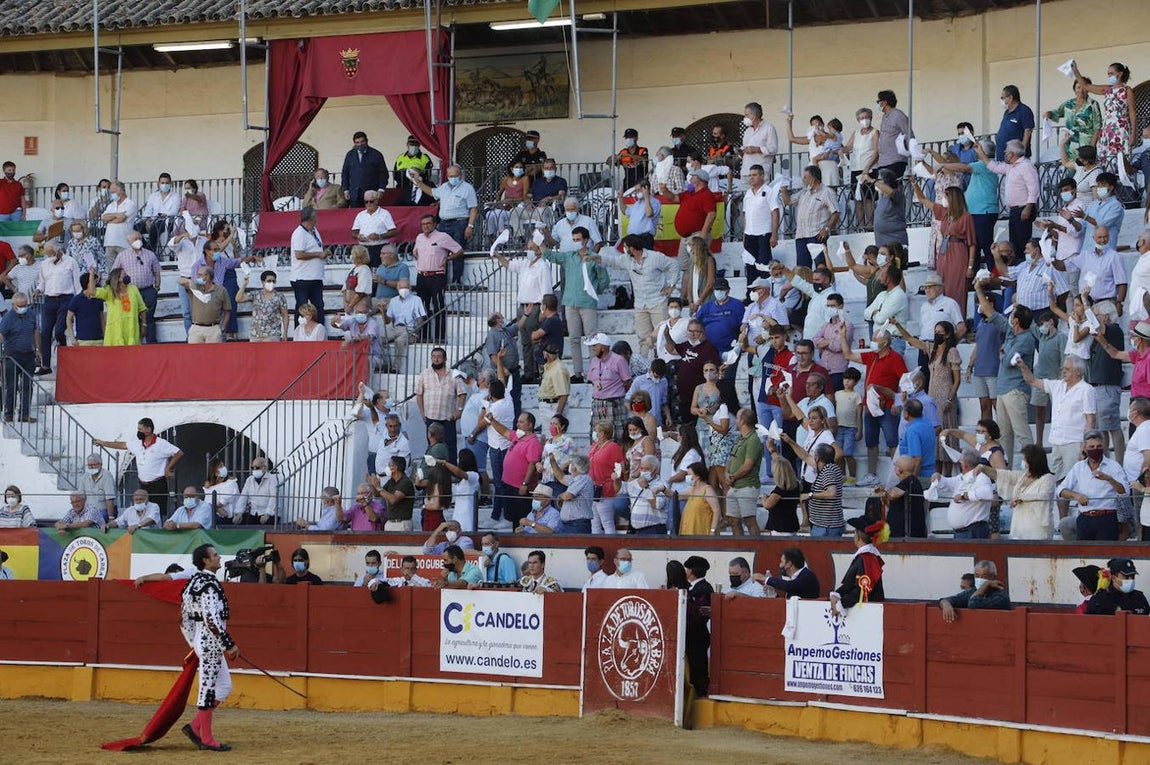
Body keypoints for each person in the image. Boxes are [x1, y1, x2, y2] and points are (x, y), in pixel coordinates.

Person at [179, 544, 239, 752]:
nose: (219, 557)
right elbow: (211, 619)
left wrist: (194, 642)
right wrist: (228, 644)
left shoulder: (193, 582)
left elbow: (183, 618)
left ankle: (196, 727)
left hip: (203, 640)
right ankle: (207, 739)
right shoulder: (209, 585)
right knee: (208, 689)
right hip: (211, 643)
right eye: (215, 555)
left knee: (224, 687)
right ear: (205, 561)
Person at [974, 279, 1036, 466]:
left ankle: (1033, 469)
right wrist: (978, 288)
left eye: (1012, 315)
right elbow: (990, 312)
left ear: (1016, 320)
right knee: (1004, 435)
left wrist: (1002, 354)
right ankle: (1003, 471)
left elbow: (1008, 361)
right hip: (1003, 390)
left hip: (1016, 390)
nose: (1009, 317)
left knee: (1022, 432)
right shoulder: (1011, 332)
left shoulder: (1026, 338)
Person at [840, 327, 907, 487]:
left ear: (885, 343)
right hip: (870, 406)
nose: (873, 342)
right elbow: (848, 355)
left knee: (892, 441)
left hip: (887, 406)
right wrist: (842, 335)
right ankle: (871, 474)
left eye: (876, 340)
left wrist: (898, 403)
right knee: (871, 442)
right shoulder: (872, 356)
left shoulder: (895, 358)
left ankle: (896, 475)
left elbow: (905, 381)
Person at [542, 229, 607, 382]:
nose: (575, 242)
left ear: (586, 240)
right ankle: (578, 373)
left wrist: (594, 291)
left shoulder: (594, 257)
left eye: (578, 239)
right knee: (574, 338)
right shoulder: (569, 256)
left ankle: (593, 373)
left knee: (591, 338)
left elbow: (604, 280)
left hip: (587, 302)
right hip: (570, 302)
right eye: (574, 239)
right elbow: (551, 255)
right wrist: (540, 242)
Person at [94, 417, 182, 514]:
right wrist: (103, 443)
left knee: (157, 512)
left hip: (158, 484)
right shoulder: (137, 444)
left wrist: (168, 469)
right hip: (142, 484)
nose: (138, 432)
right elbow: (123, 445)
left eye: (140, 429)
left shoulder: (161, 443)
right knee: (142, 510)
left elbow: (179, 453)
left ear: (148, 429)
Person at [1057, 431, 1128, 541]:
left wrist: (1109, 479)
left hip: (1107, 518)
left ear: (1103, 447)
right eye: (1092, 447)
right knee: (1083, 551)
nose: (1095, 449)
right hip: (1085, 518)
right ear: (1085, 449)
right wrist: (1076, 496)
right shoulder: (1078, 467)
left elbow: (1125, 492)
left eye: (1098, 446)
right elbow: (1060, 490)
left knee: (1106, 551)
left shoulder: (1114, 466)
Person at [413, 165, 478, 285]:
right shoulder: (443, 187)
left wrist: (470, 226)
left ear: (460, 175)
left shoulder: (467, 188)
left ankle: (456, 280)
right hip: (443, 223)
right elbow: (431, 192)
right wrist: (418, 182)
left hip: (460, 223)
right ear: (447, 176)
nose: (453, 178)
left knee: (457, 251)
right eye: (450, 176)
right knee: (440, 251)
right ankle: (442, 279)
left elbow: (473, 208)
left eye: (455, 175)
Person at [976, 444, 1056, 540]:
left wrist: (1020, 497)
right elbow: (1004, 476)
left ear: (1033, 461)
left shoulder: (1048, 478)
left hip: (1038, 531)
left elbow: (1044, 495)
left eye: (1025, 459)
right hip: (1019, 529)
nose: (1023, 462)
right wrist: (983, 468)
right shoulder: (1023, 476)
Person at [1072, 62, 1136, 165]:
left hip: (1121, 128)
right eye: (1108, 74)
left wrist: (1133, 133)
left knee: (1121, 159)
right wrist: (1076, 71)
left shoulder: (1127, 90)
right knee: (1106, 158)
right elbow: (1086, 86)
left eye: (1111, 73)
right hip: (1107, 129)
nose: (1109, 76)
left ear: (1120, 74)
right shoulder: (1107, 89)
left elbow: (1132, 112)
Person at [829, 509, 888, 614]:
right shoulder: (867, 557)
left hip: (868, 611)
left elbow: (861, 589)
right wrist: (837, 594)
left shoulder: (867, 558)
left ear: (858, 536)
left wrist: (841, 603)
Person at [780, 165, 839, 269]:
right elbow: (788, 201)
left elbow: (835, 212)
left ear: (814, 178)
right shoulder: (804, 192)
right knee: (802, 269)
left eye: (806, 177)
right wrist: (783, 188)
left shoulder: (827, 192)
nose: (803, 179)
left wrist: (827, 228)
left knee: (821, 266)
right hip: (801, 235)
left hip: (816, 235)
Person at [931, 451, 996, 539]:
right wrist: (939, 478)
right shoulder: (962, 477)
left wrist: (964, 496)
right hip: (962, 532)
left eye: (961, 462)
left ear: (964, 465)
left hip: (973, 531)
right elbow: (948, 482)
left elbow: (987, 494)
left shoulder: (981, 477)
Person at [0, 292, 39, 422]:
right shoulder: (8, 318)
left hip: (28, 355)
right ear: (13, 305)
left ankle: (24, 415)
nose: (23, 308)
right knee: (11, 386)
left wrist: (37, 349)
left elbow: (35, 331)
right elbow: (1, 335)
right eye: (20, 306)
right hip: (12, 355)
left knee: (27, 385)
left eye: (25, 305)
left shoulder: (31, 314)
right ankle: (9, 414)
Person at [1045, 77, 1103, 164]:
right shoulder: (1069, 104)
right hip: (1070, 144)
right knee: (1069, 167)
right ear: (1074, 89)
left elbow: (1098, 127)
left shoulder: (1093, 104)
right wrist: (1048, 113)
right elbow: (1057, 112)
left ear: (1088, 89)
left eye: (1084, 87)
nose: (1081, 90)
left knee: (1085, 169)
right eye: (1078, 87)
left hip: (1086, 145)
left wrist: (1092, 146)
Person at [586, 333, 633, 439]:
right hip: (597, 403)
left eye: (595, 346)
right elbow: (592, 380)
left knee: (616, 435)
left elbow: (627, 381)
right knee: (596, 435)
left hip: (614, 403)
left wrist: (618, 393)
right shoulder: (594, 361)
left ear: (603, 347)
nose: (593, 348)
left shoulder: (619, 360)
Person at [289, 206, 330, 324]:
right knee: (302, 308)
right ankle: (299, 332)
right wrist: (319, 254)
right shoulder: (299, 233)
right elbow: (299, 254)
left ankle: (320, 331)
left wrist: (323, 253)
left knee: (319, 307)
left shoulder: (314, 230)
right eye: (315, 216)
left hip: (315, 277)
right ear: (311, 218)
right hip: (302, 278)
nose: (317, 219)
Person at [938, 560, 1013, 622]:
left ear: (993, 577)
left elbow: (974, 604)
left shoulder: (1001, 596)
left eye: (984, 576)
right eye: (977, 576)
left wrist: (986, 584)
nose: (980, 579)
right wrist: (945, 604)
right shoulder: (972, 591)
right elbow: (947, 600)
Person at [177, 264, 231, 344]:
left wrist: (223, 327)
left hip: (213, 328)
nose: (197, 276)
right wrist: (189, 281)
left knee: (213, 352)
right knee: (194, 352)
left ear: (207, 276)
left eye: (200, 275)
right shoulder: (195, 287)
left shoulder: (221, 290)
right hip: (196, 328)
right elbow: (179, 280)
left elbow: (227, 310)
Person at [589, 421, 625, 535]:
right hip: (593, 487)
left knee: (607, 522)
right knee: (594, 522)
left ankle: (610, 542)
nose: (594, 433)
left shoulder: (613, 447)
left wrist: (616, 478)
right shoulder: (594, 445)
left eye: (596, 431)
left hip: (606, 488)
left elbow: (620, 466)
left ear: (603, 433)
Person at [882, 456, 927, 538]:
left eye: (896, 465)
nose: (894, 468)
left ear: (900, 470)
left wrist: (884, 493)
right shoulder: (913, 481)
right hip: (906, 533)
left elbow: (893, 494)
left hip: (905, 535)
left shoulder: (909, 481)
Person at [761, 443, 801, 534]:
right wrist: (772, 450)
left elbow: (767, 505)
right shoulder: (795, 485)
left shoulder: (780, 489)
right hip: (791, 525)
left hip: (780, 528)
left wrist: (764, 497)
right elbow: (780, 462)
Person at [341, 131, 386, 207]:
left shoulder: (376, 154)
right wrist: (346, 190)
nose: (360, 144)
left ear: (366, 141)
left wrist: (381, 189)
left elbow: (383, 173)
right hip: (354, 194)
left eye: (362, 141)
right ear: (354, 143)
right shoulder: (350, 155)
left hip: (371, 194)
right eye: (357, 142)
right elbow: (345, 173)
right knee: (356, 213)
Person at [873, 89, 911, 178]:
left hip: (895, 160)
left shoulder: (898, 115)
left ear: (884, 102)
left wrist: (912, 152)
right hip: (883, 161)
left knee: (892, 185)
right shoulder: (885, 116)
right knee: (882, 185)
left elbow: (909, 134)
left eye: (878, 102)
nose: (877, 104)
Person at [678, 462, 720, 536]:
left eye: (689, 474)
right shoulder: (692, 490)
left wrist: (712, 530)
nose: (687, 477)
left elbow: (716, 511)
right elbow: (676, 496)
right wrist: (663, 489)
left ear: (697, 476)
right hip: (689, 532)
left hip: (702, 533)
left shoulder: (708, 490)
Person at [740, 102, 779, 179]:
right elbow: (745, 149)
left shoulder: (769, 128)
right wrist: (740, 152)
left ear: (754, 115)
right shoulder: (748, 131)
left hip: (760, 173)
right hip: (745, 172)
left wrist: (757, 149)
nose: (745, 117)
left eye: (747, 115)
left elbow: (773, 149)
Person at [393, 136, 434, 205]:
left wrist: (418, 171)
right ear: (407, 144)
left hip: (418, 189)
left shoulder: (424, 158)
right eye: (412, 144)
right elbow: (395, 174)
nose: (414, 146)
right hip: (402, 188)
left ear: (419, 145)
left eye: (416, 144)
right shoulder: (400, 157)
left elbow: (428, 174)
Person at [236, 457, 278, 524]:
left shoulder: (272, 479)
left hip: (267, 513)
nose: (254, 470)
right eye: (252, 467)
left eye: (257, 467)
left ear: (264, 468)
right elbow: (243, 497)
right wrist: (238, 512)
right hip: (253, 512)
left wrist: (267, 514)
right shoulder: (250, 480)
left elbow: (273, 498)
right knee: (240, 521)